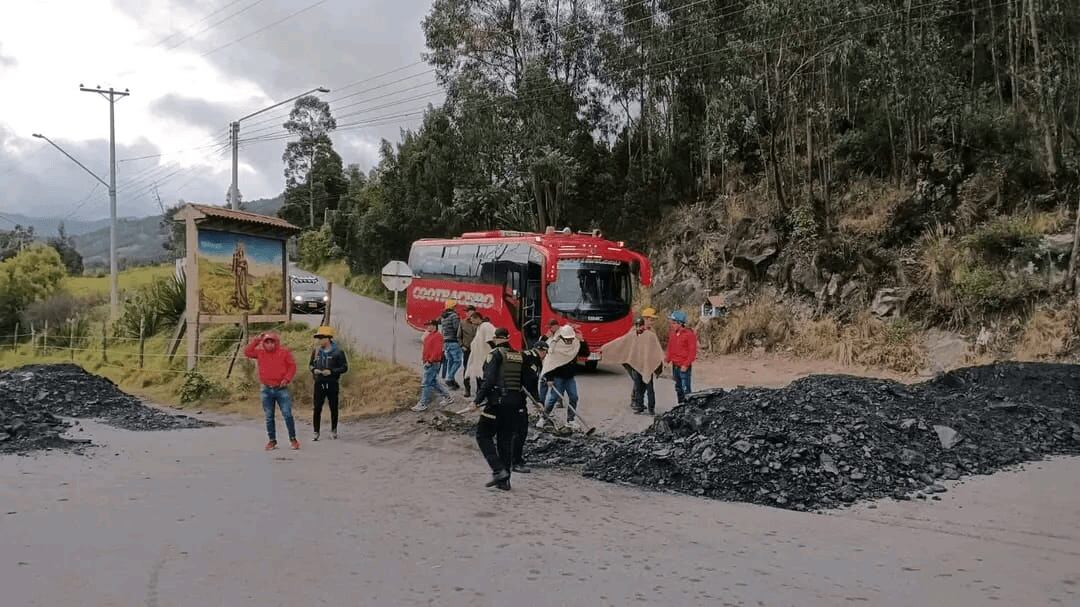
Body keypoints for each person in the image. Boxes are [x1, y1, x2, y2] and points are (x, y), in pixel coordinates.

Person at [473, 328, 538, 490]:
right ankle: (505, 481)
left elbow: (488, 381)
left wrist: (476, 401)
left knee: (483, 435)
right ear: (508, 338)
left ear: (495, 339)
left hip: (497, 402)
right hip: (515, 404)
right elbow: (530, 379)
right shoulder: (518, 356)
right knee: (505, 440)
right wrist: (538, 400)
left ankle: (498, 470)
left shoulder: (494, 355)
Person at [602, 311, 665, 416]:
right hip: (635, 363)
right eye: (650, 319)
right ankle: (638, 405)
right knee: (638, 386)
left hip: (647, 365)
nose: (652, 322)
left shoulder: (651, 334)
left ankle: (650, 408)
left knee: (648, 387)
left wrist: (659, 363)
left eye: (653, 320)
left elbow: (657, 350)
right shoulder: (633, 333)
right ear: (645, 319)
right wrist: (605, 348)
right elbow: (622, 342)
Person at [244, 332, 299, 450]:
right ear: (264, 343)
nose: (269, 345)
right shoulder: (260, 353)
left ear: (276, 342)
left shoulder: (284, 352)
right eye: (267, 342)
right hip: (266, 389)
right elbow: (247, 352)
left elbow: (292, 366)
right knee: (269, 416)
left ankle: (293, 439)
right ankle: (272, 440)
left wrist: (287, 378)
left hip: (281, 389)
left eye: (272, 342)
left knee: (287, 414)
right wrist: (257, 339)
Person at [539, 324, 589, 430]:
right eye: (567, 339)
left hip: (569, 377)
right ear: (561, 337)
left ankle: (570, 420)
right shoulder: (554, 346)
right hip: (557, 377)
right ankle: (543, 418)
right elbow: (549, 363)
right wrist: (549, 378)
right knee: (553, 398)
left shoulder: (576, 344)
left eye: (571, 338)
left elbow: (585, 353)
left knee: (574, 397)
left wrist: (582, 341)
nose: (569, 341)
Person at [309, 325, 348, 441]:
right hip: (319, 383)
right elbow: (310, 364)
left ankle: (334, 430)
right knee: (317, 408)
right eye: (318, 338)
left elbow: (344, 368)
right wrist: (313, 370)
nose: (319, 340)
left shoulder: (338, 352)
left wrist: (331, 372)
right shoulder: (316, 351)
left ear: (328, 338)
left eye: (321, 337)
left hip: (332, 383)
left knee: (333, 407)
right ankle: (316, 431)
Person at [513, 340, 547, 473]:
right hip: (515, 397)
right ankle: (514, 461)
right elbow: (530, 383)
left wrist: (537, 401)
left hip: (517, 397)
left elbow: (532, 382)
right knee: (520, 431)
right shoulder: (530, 359)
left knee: (520, 429)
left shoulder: (531, 357)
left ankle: (516, 458)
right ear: (542, 350)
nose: (545, 355)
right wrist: (537, 401)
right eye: (545, 352)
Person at [414, 319, 454, 412]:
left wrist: (430, 361)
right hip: (428, 362)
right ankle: (448, 397)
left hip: (432, 363)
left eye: (429, 325)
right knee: (433, 382)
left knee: (426, 383)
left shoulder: (438, 336)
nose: (427, 326)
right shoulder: (430, 335)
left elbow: (437, 351)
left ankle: (423, 403)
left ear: (434, 326)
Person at [666, 310, 698, 405]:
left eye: (674, 323)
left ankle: (688, 407)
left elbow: (692, 352)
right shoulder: (673, 334)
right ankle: (681, 406)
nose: (672, 325)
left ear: (680, 323)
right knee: (678, 387)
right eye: (671, 322)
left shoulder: (689, 335)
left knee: (685, 388)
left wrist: (686, 364)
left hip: (684, 366)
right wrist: (667, 360)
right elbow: (670, 348)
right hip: (675, 365)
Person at [464, 315, 495, 396]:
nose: (472, 323)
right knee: (480, 375)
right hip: (481, 357)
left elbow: (490, 340)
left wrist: (494, 352)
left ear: (477, 318)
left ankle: (485, 395)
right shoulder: (480, 327)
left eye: (473, 320)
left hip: (486, 356)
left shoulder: (486, 325)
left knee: (485, 377)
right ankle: (481, 394)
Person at [440, 300, 463, 389]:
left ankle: (451, 379)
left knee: (450, 361)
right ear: (453, 307)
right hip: (454, 341)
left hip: (446, 342)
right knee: (457, 361)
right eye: (455, 306)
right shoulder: (454, 316)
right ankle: (449, 378)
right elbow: (457, 328)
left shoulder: (443, 317)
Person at [458, 307, 480, 398]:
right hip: (467, 350)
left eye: (471, 313)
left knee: (479, 370)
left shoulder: (479, 324)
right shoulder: (462, 323)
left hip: (478, 350)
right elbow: (459, 336)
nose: (469, 314)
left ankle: (480, 390)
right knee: (467, 369)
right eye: (467, 312)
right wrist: (462, 346)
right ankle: (467, 389)